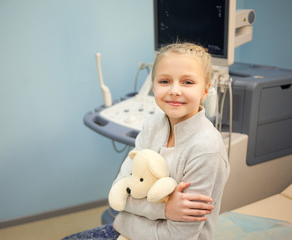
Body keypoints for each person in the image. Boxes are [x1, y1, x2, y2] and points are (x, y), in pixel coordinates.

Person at [62, 42, 230, 240]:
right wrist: (165, 209)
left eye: (187, 82)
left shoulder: (205, 148)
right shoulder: (153, 126)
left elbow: (180, 235)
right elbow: (119, 194)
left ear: (205, 90)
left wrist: (126, 222)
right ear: (153, 85)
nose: (175, 90)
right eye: (165, 81)